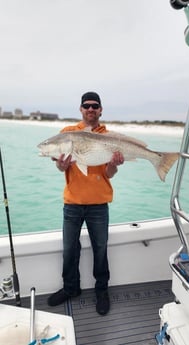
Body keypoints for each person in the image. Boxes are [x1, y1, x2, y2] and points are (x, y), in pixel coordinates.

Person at [47, 91, 124, 315]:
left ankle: (102, 291)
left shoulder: (109, 138)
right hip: (72, 203)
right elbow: (61, 166)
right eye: (86, 106)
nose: (91, 109)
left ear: (101, 110)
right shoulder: (68, 134)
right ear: (80, 109)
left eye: (95, 106)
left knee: (100, 249)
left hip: (99, 205)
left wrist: (114, 164)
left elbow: (109, 173)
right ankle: (71, 288)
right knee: (69, 249)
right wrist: (61, 165)